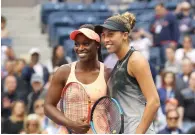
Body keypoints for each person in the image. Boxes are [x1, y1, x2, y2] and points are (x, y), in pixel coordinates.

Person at [95, 12, 160, 134]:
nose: (106, 40)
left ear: (125, 35)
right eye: (104, 36)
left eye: (111, 35)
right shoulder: (118, 64)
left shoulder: (135, 60)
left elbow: (154, 101)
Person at [44, 24, 111, 134]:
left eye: (86, 43)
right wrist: (71, 123)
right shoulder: (63, 72)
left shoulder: (107, 73)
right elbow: (48, 106)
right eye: (77, 44)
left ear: (97, 45)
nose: (80, 48)